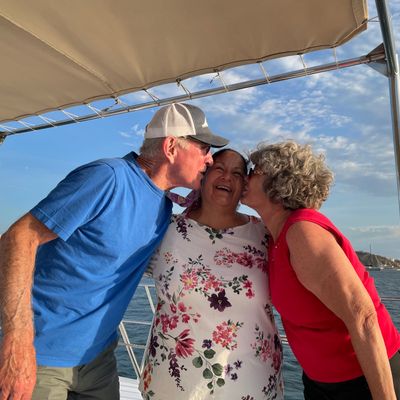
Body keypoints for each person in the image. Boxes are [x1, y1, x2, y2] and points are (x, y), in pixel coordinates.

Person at [0, 102, 229, 400]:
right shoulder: (107, 178)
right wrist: (17, 341)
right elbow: (18, 238)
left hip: (99, 360)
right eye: (204, 148)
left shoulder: (163, 205)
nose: (210, 159)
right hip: (41, 354)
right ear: (171, 147)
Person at [241, 140, 400, 400]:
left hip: (365, 379)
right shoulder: (272, 237)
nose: (246, 176)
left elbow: (363, 317)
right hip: (320, 381)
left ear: (279, 183)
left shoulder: (302, 232)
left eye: (255, 171)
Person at [139, 149, 284, 400]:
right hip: (173, 383)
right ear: (203, 176)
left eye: (237, 173)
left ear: (244, 186)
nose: (227, 177)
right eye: (219, 168)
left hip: (249, 384)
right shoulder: (165, 229)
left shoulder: (264, 235)